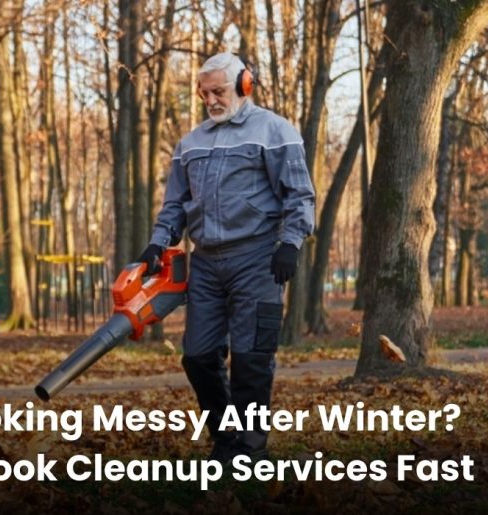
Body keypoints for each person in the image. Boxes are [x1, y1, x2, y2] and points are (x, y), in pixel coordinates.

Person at [136, 53, 315, 461]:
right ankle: (225, 439)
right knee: (198, 356)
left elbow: (299, 194)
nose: (211, 100)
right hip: (206, 262)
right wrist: (158, 243)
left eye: (218, 91)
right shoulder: (190, 143)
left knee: (252, 358)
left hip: (257, 257)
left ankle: (251, 451)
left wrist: (290, 243)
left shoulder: (275, 130)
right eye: (204, 93)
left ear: (244, 85)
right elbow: (175, 205)